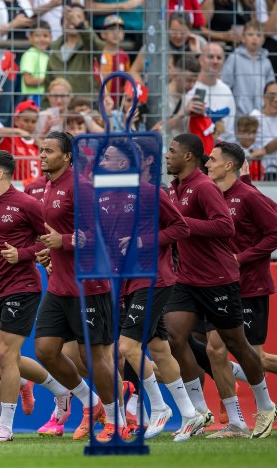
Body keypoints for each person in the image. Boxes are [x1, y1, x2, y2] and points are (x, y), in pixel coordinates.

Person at [164, 133, 276, 439]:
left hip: (219, 280)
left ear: (188, 157)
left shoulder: (204, 187)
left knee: (235, 346)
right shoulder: (174, 189)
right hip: (186, 279)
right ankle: (200, 413)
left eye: (171, 151)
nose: (166, 155)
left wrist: (185, 227)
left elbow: (224, 226)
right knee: (174, 337)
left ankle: (265, 405)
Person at [98, 141, 202, 441]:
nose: (101, 161)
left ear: (122, 164)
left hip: (154, 278)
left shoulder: (151, 193)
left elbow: (181, 228)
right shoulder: (103, 197)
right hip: (127, 281)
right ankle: (190, 414)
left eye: (107, 157)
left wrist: (143, 241)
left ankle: (159, 407)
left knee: (127, 348)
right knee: (159, 349)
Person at [34, 132, 120, 442]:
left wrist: (65, 241)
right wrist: (50, 249)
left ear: (68, 156)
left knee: (93, 358)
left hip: (89, 285)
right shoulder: (49, 186)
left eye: (49, 151)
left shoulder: (81, 186)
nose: (42, 155)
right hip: (59, 285)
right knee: (44, 350)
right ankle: (90, 401)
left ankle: (115, 420)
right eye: (40, 150)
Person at [0, 150, 49, 442]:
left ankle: (7, 426)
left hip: (23, 287)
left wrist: (24, 254)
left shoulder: (27, 204)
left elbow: (48, 241)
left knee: (6, 352)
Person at [204, 141, 277, 438]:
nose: (207, 164)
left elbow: (275, 232)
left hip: (250, 286)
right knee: (214, 350)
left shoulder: (248, 196)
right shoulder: (211, 196)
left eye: (212, 159)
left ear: (229, 165)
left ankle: (264, 409)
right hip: (218, 286)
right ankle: (235, 422)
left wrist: (241, 259)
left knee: (254, 358)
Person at [221, 21, 275, 116]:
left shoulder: (266, 62)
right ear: (243, 38)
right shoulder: (235, 58)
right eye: (250, 34)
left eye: (259, 35)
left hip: (261, 113)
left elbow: (271, 87)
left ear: (263, 40)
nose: (255, 38)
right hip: (239, 112)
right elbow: (226, 83)